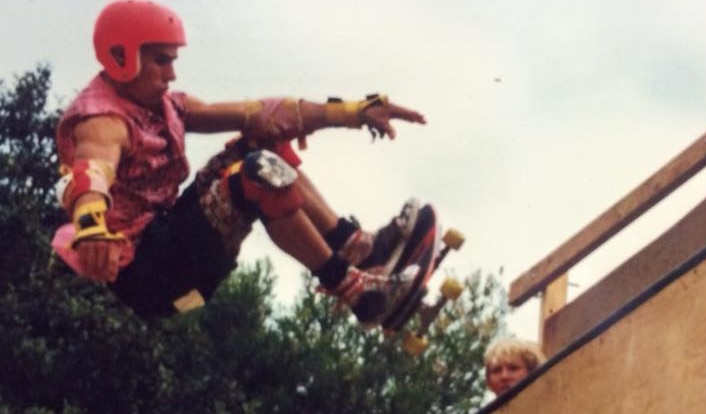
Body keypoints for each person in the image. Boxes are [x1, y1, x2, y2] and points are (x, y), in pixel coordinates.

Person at [51, 0, 427, 325]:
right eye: (161, 61)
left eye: (173, 61)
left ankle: (357, 248)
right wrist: (91, 225)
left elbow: (261, 114)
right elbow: (92, 170)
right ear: (121, 57)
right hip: (149, 274)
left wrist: (352, 112)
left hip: (172, 238)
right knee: (255, 175)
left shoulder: (167, 106)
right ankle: (359, 293)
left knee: (260, 142)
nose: (172, 74)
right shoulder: (103, 119)